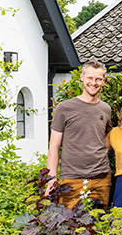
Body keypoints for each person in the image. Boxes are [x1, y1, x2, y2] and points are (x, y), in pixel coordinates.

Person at [46, 60, 113, 208]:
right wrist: (51, 179)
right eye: (90, 78)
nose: (93, 83)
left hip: (101, 178)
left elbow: (107, 138)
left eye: (98, 79)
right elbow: (54, 147)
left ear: (103, 81)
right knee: (68, 221)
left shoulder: (105, 109)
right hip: (71, 179)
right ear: (82, 77)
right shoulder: (64, 108)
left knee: (99, 221)